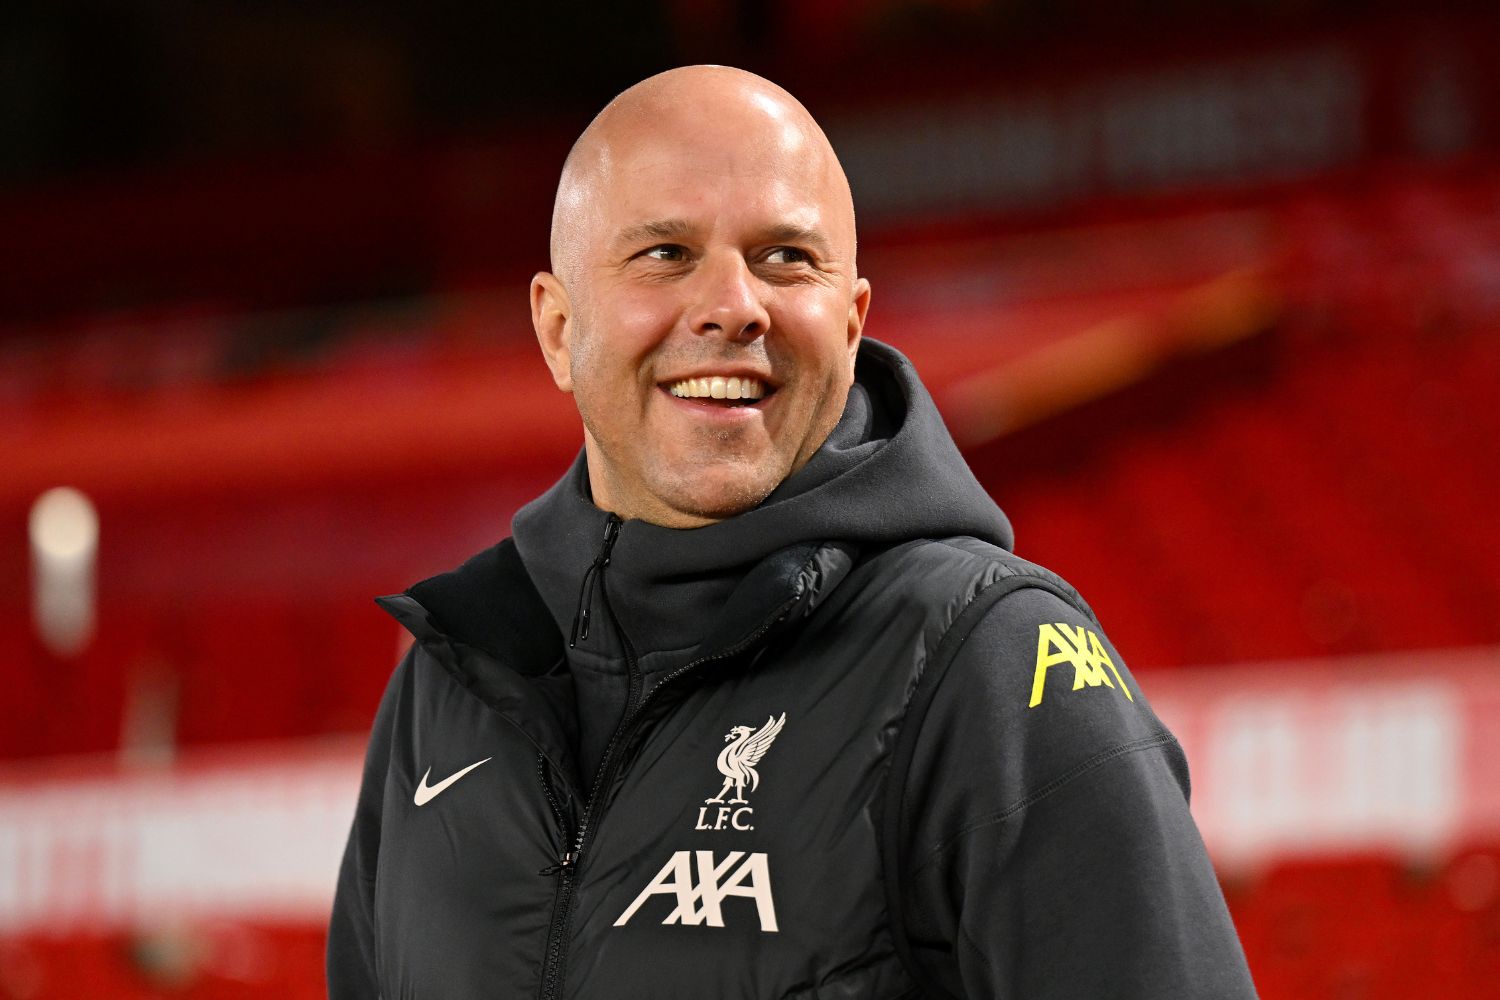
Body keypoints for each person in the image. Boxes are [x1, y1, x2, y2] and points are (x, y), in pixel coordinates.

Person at [327, 65, 1257, 999]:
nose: (734, 304)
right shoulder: (447, 682)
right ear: (558, 328)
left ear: (852, 324)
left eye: (785, 257)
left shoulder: (992, 662)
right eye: (665, 253)